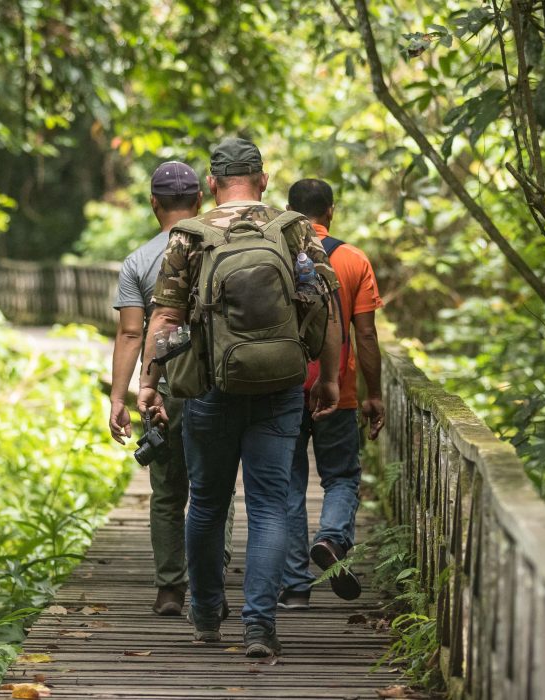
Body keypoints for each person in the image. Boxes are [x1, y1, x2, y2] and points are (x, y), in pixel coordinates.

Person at [136, 138, 343, 658]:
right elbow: (325, 305)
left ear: (211, 184)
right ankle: (259, 626)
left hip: (208, 387)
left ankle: (206, 615)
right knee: (271, 505)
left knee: (206, 503)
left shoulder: (189, 236)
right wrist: (330, 379)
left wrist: (148, 382)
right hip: (279, 386)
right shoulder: (293, 228)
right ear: (264, 179)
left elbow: (165, 317)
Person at [108, 161, 234, 617]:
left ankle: (169, 588)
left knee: (166, 489)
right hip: (217, 383)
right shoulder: (221, 245)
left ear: (153, 204)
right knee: (215, 487)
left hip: (162, 387)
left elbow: (130, 334)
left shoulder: (139, 261)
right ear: (201, 199)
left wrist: (120, 397)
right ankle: (212, 582)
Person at [278, 178, 385, 609]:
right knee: (340, 476)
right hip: (337, 388)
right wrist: (372, 393)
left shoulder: (276, 254)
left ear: (288, 210)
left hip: (281, 387)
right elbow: (366, 333)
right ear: (331, 211)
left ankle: (295, 587)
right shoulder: (354, 260)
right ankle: (332, 540)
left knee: (288, 484)